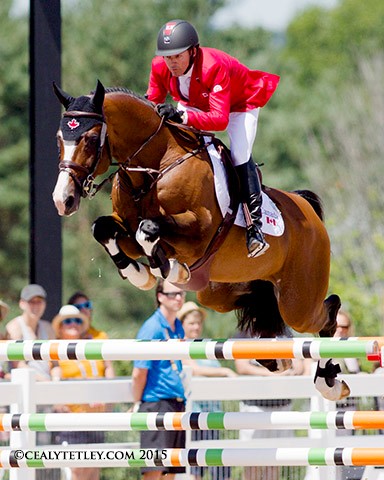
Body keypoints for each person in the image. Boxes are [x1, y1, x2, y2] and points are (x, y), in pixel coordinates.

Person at [146, 19, 280, 258]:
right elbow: (152, 104)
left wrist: (181, 114)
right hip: (195, 104)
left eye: (177, 56)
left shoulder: (212, 67)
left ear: (193, 51)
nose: (172, 63)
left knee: (239, 154)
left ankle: (254, 227)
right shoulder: (160, 66)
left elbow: (219, 120)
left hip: (240, 105)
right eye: (168, 57)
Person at [51, 304, 114, 480]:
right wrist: (59, 400)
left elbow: (103, 373)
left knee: (93, 469)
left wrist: (106, 399)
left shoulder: (89, 346)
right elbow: (54, 377)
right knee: (77, 470)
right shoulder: (55, 349)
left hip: (95, 418)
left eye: (77, 320)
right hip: (72, 419)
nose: (74, 324)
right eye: (68, 321)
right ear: (60, 327)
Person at [234, 328, 307, 480]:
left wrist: (291, 371)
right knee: (251, 460)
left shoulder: (284, 331)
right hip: (255, 406)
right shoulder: (245, 332)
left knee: (275, 460)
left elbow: (299, 364)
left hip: (282, 405)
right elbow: (241, 366)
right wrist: (271, 373)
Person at [131, 279, 186, 480]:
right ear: (160, 297)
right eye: (173, 294)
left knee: (172, 469)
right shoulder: (152, 327)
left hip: (176, 402)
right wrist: (137, 401)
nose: (179, 298)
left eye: (181, 293)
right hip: (157, 403)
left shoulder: (178, 325)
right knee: (154, 470)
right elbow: (139, 372)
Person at [178, 301, 236, 480]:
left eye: (198, 323)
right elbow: (194, 369)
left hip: (213, 414)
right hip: (194, 415)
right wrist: (224, 372)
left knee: (219, 466)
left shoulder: (204, 345)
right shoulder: (180, 346)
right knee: (197, 468)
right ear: (182, 325)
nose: (196, 327)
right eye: (191, 323)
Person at [333, 310, 364, 480]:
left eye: (344, 326)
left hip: (349, 411)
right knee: (330, 459)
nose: (340, 330)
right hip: (329, 411)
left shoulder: (352, 350)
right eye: (336, 326)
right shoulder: (321, 348)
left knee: (345, 459)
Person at [5, 284, 55, 381]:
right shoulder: (14, 327)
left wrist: (56, 379)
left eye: (39, 302)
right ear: (22, 303)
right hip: (24, 385)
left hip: (47, 384)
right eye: (32, 302)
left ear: (45, 304)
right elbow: (18, 365)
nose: (36, 306)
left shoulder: (48, 328)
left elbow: (55, 364)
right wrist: (45, 381)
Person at [68, 291, 115, 377]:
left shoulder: (101, 336)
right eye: (78, 307)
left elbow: (108, 367)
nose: (83, 309)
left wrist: (111, 387)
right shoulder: (66, 336)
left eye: (87, 305)